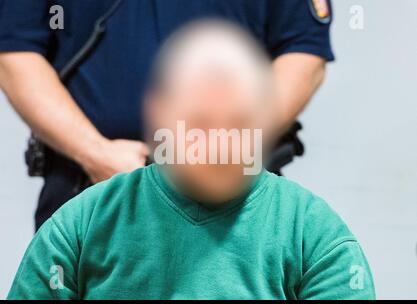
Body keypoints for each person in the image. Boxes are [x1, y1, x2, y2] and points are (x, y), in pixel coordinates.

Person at [7, 21, 375, 300]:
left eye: (237, 123)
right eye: (199, 124)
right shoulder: (79, 228)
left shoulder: (316, 238)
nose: (219, 144)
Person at [0, 0, 334, 230]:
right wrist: (95, 153)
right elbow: (14, 53)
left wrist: (225, 148)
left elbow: (303, 54)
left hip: (237, 199)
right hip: (91, 191)